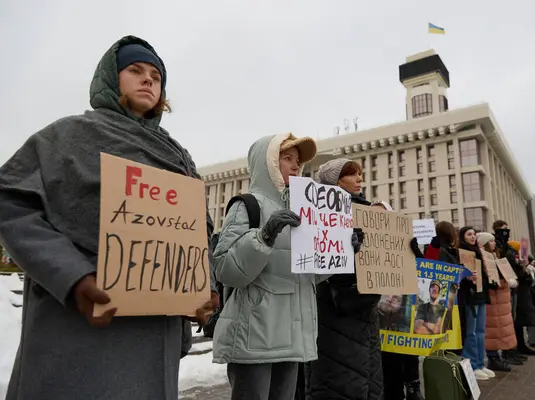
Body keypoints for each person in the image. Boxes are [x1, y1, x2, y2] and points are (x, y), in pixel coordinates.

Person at [0, 36, 218, 400]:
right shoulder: (66, 137)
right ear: (109, 79)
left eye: (156, 76)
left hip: (156, 335)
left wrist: (202, 284)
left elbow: (198, 229)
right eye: (135, 70)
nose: (148, 80)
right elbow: (10, 200)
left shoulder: (178, 155)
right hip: (80, 327)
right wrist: (71, 276)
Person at [212, 133, 319, 400]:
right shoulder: (247, 205)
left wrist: (342, 251)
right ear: (269, 163)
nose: (295, 166)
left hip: (292, 338)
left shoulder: (303, 211)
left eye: (298, 161)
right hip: (256, 338)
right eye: (287, 158)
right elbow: (225, 269)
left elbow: (309, 276)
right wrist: (264, 236)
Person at [305, 158, 382, 400]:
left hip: (367, 314)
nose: (360, 179)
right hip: (336, 315)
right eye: (352, 174)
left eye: (360, 173)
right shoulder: (321, 214)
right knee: (340, 382)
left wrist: (409, 251)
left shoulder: (370, 213)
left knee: (369, 379)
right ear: (333, 182)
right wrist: (346, 250)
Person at [373, 200, 424, 400]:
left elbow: (420, 274)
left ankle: (412, 388)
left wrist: (417, 254)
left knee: (404, 353)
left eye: (382, 214)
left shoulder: (403, 241)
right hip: (377, 311)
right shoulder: (364, 241)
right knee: (387, 362)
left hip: (402, 310)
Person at [493, 220, 535, 360]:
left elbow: (511, 262)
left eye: (507, 228)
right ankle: (509, 350)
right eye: (503, 229)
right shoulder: (498, 245)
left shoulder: (509, 247)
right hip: (505, 285)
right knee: (509, 320)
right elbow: (502, 261)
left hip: (514, 285)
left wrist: (522, 265)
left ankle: (517, 346)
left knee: (515, 318)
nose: (507, 231)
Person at [477, 232, 517, 372]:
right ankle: (493, 357)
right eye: (491, 241)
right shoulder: (484, 257)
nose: (494, 243)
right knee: (493, 329)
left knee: (499, 329)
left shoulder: (495, 256)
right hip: (494, 298)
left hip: (500, 299)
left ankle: (497, 356)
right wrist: (501, 281)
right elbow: (489, 279)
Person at [457, 226, 493, 381]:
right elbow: (458, 276)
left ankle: (479, 363)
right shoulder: (461, 253)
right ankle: (471, 364)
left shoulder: (479, 253)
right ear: (462, 237)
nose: (472, 237)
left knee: (480, 331)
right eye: (469, 234)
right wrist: (467, 277)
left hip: (480, 295)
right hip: (469, 297)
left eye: (474, 234)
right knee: (471, 333)